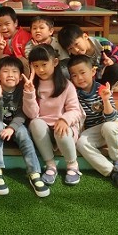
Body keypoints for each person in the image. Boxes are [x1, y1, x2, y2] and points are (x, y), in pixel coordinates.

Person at [0, 56, 50, 197]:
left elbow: (23, 113)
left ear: (21, 77)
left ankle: (34, 173)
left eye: (15, 71)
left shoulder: (22, 90)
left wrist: (11, 128)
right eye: (5, 71)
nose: (10, 75)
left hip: (15, 125)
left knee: (23, 134)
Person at [24, 44, 85, 186]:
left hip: (64, 129)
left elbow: (76, 111)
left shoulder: (66, 85)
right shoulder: (32, 86)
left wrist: (64, 119)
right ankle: (50, 165)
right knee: (35, 123)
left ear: (55, 62)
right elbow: (32, 114)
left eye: (44, 64)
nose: (40, 69)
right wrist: (29, 93)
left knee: (60, 129)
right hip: (44, 132)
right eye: (36, 66)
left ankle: (72, 165)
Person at [67, 54, 118, 188]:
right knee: (81, 142)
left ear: (93, 71)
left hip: (115, 125)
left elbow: (111, 118)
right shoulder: (74, 94)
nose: (79, 78)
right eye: (74, 75)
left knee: (108, 127)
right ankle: (111, 172)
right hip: (96, 130)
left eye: (83, 72)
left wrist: (105, 100)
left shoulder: (102, 89)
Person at [57, 23, 118, 89]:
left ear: (85, 36)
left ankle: (106, 89)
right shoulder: (73, 55)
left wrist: (112, 60)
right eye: (70, 48)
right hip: (88, 79)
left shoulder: (103, 43)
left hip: (103, 74)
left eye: (77, 44)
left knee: (117, 69)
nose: (76, 50)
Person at [0, 6, 32, 76]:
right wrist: (1, 49)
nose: (3, 28)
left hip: (21, 65)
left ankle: (26, 81)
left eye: (7, 24)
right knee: (2, 57)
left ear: (15, 23)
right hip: (6, 65)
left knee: (23, 61)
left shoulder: (26, 37)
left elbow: (30, 58)